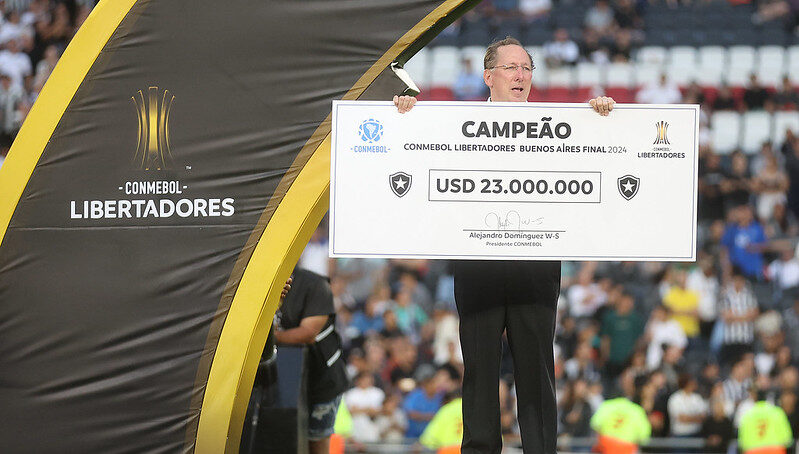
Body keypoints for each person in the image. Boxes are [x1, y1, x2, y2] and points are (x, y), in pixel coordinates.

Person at [394, 36, 615, 454]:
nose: (520, 75)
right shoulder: (454, 125)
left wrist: (601, 117)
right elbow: (416, 160)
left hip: (536, 264)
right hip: (479, 262)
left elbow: (598, 165)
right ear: (488, 76)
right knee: (479, 368)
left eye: (527, 68)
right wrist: (406, 117)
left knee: (536, 369)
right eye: (511, 67)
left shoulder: (564, 127)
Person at [272, 268, 349, 454]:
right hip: (281, 383)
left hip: (322, 380)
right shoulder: (260, 284)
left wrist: (269, 338)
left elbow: (308, 334)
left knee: (315, 439)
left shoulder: (315, 285)